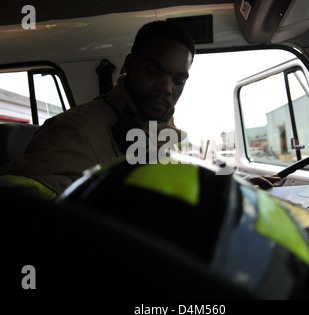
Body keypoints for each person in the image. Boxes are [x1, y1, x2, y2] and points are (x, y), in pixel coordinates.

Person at [0, 21, 280, 196]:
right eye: (154, 71)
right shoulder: (74, 131)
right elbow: (20, 207)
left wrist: (234, 185)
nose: (167, 87)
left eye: (178, 79)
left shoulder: (159, 130)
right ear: (130, 66)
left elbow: (172, 182)